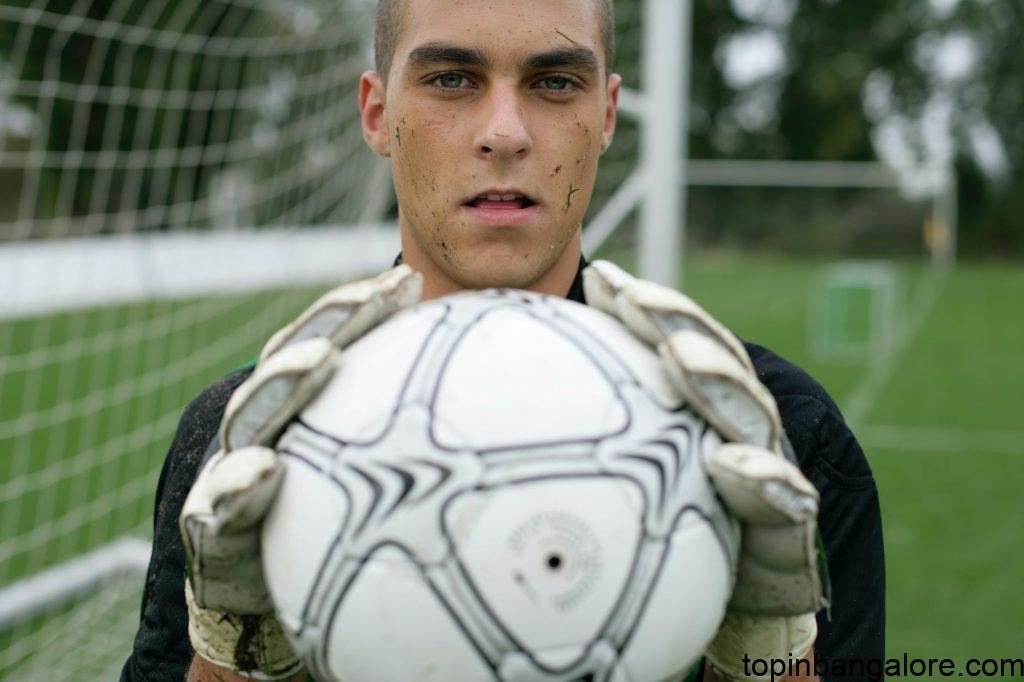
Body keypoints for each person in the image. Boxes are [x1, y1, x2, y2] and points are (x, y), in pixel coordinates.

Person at [121, 0, 884, 680]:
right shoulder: (248, 436)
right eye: (452, 79)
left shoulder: (773, 433)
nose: (504, 133)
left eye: (555, 82)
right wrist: (234, 656)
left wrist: (766, 657)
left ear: (607, 114)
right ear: (378, 114)